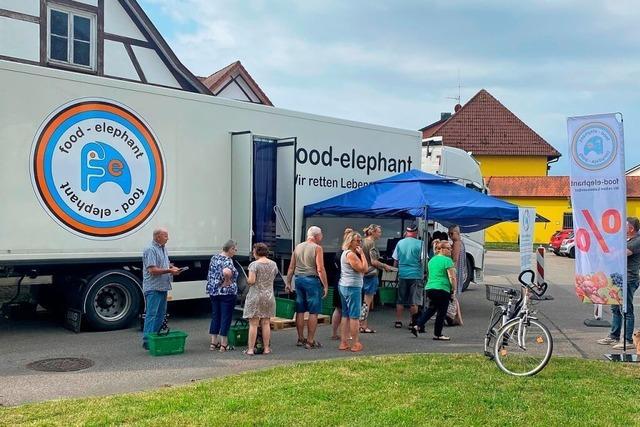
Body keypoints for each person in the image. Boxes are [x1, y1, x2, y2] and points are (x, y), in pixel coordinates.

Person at [597, 217, 640, 349]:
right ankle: (614, 336)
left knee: (626, 309)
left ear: (631, 228)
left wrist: (608, 251)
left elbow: (618, 255)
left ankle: (628, 340)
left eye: (625, 226)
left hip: (629, 278)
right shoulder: (625, 240)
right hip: (617, 277)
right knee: (615, 308)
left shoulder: (636, 241)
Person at [286, 226, 329, 349]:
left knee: (300, 310)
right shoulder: (317, 248)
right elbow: (320, 269)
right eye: (321, 234)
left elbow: (291, 267)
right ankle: (310, 340)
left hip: (299, 279)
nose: (322, 236)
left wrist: (288, 282)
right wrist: (325, 285)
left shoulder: (298, 247)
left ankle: (300, 338)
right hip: (312, 280)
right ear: (316, 236)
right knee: (313, 311)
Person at [141, 227, 182, 349]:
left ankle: (156, 338)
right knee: (151, 315)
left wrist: (173, 268)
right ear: (157, 237)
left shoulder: (163, 249)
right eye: (165, 236)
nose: (167, 238)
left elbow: (164, 263)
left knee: (160, 315)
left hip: (163, 287)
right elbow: (152, 270)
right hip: (153, 287)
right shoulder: (150, 249)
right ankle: (147, 341)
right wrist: (169, 270)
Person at [411, 240, 457, 340]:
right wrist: (453, 289)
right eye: (448, 248)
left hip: (430, 288)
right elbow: (451, 277)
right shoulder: (447, 260)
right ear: (441, 249)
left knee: (432, 309)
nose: (450, 250)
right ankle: (438, 334)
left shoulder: (432, 260)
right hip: (442, 288)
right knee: (441, 312)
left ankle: (417, 325)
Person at [243, 242, 278, 356]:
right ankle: (267, 348)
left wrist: (246, 280)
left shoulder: (254, 265)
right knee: (266, 322)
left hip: (256, 295)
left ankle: (251, 349)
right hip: (268, 296)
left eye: (254, 251)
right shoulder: (273, 264)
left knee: (253, 324)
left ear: (256, 252)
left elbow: (252, 281)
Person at [338, 231, 368, 352]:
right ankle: (355, 343)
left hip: (344, 285)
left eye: (360, 240)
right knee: (354, 316)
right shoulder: (351, 254)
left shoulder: (345, 253)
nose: (360, 243)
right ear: (350, 242)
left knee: (345, 315)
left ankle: (343, 342)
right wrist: (363, 255)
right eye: (358, 241)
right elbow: (364, 268)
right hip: (352, 287)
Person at [206, 240, 239, 352]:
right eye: (234, 249)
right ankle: (224, 343)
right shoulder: (228, 260)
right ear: (230, 249)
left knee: (216, 316)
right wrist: (227, 280)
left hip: (214, 291)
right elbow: (226, 271)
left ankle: (213, 342)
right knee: (226, 316)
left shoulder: (214, 258)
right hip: (226, 292)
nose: (235, 251)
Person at [360, 224, 392, 333]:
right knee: (367, 302)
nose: (380, 234)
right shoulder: (371, 243)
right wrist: (385, 266)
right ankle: (363, 324)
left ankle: (360, 323)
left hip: (361, 273)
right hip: (371, 274)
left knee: (361, 301)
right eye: (378, 232)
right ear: (372, 232)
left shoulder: (362, 242)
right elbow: (373, 261)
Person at [392, 223, 424, 328]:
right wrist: (425, 272)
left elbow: (395, 260)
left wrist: (395, 272)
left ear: (407, 232)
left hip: (402, 274)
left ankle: (398, 321)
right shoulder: (421, 244)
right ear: (416, 232)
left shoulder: (400, 243)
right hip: (416, 275)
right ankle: (412, 322)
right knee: (414, 301)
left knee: (400, 299)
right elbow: (424, 260)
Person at [331, 227, 353, 340]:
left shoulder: (339, 252)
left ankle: (334, 333)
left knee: (338, 308)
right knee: (347, 310)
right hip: (347, 281)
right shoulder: (349, 253)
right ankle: (347, 333)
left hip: (337, 279)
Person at [449, 225, 468, 294]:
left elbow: (455, 258)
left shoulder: (456, 243)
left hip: (455, 270)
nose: (450, 235)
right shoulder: (461, 242)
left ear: (457, 233)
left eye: (451, 233)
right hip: (459, 270)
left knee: (453, 293)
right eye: (449, 233)